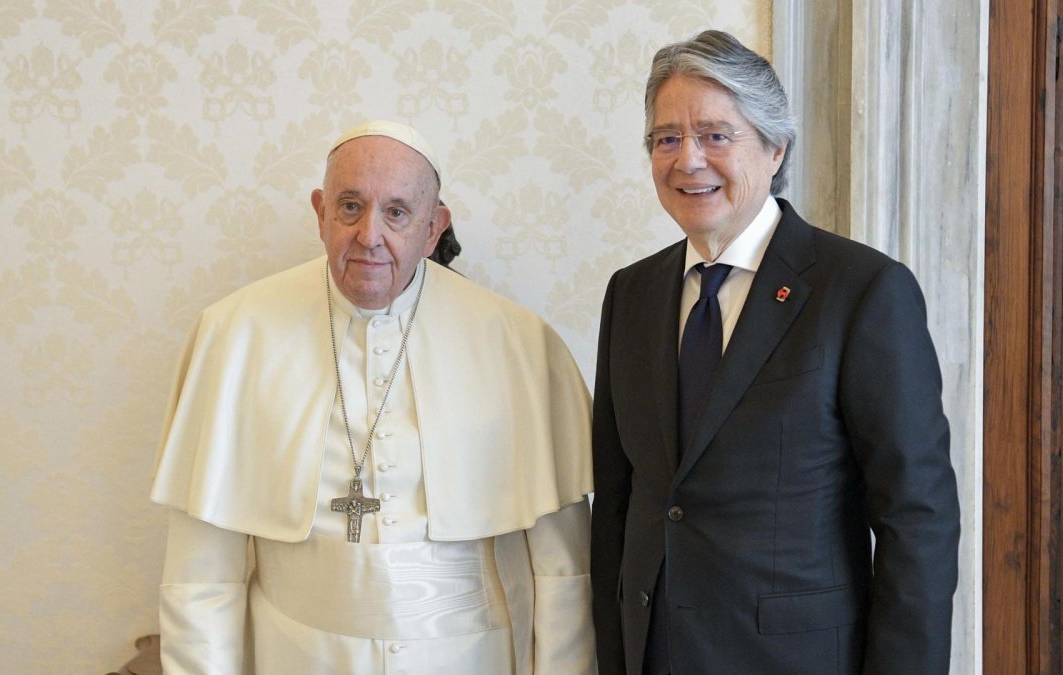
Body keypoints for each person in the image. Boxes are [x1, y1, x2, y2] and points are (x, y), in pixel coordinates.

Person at [151, 120, 596, 674]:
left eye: (397, 212)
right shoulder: (235, 334)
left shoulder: (520, 344)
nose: (369, 236)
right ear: (319, 213)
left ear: (434, 228)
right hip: (295, 655)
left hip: (468, 658)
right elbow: (201, 578)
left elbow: (563, 576)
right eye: (350, 207)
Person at [590, 30, 960, 674]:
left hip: (795, 657)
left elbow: (917, 519)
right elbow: (618, 504)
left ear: (774, 146)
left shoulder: (862, 290)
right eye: (666, 139)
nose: (688, 160)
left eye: (715, 135)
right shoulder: (631, 294)